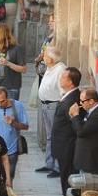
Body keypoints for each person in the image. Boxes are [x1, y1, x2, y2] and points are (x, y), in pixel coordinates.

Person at [50, 66, 82, 196]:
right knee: (64, 178)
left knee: (67, 179)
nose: (60, 79)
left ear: (70, 82)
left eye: (63, 77)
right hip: (62, 147)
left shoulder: (72, 100)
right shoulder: (68, 96)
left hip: (67, 148)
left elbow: (75, 125)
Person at [0, 86, 28, 179]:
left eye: (2, 101)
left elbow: (25, 126)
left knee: (9, 179)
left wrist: (13, 123)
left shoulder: (18, 106)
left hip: (11, 150)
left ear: (7, 98)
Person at [36, 45, 67, 176]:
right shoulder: (50, 67)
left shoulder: (61, 69)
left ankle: (58, 167)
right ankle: (49, 163)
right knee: (49, 137)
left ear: (52, 58)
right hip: (45, 105)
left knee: (56, 137)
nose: (43, 57)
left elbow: (63, 91)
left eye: (45, 55)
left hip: (54, 106)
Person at [71, 86, 98, 177]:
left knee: (90, 188)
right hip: (86, 159)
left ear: (91, 101)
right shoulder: (93, 111)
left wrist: (75, 115)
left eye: (82, 101)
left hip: (92, 161)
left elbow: (81, 131)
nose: (80, 104)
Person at [0, 23, 25, 98]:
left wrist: (8, 63)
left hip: (11, 87)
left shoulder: (17, 49)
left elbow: (23, 69)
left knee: (11, 109)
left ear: (0, 35)